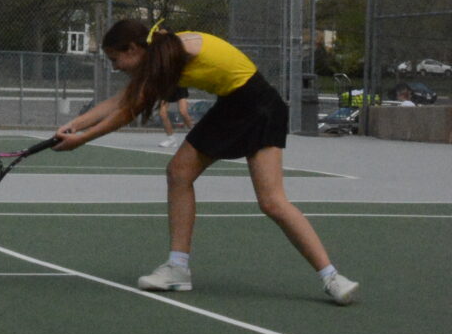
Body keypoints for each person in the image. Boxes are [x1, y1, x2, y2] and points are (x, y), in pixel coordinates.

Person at [55, 18, 359, 304]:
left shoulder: (175, 54)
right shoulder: (163, 54)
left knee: (272, 202)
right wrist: (76, 124)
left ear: (133, 49)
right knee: (178, 172)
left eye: (115, 60)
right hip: (233, 106)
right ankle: (178, 269)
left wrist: (80, 140)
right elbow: (122, 99)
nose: (116, 67)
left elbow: (127, 110)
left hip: (262, 106)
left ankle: (333, 278)